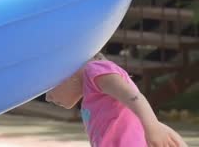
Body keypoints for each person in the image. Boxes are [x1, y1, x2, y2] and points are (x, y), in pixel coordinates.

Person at [46, 53, 187, 147]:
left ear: (67, 74)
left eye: (48, 87)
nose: (47, 97)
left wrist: (152, 127)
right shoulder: (90, 95)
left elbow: (133, 97)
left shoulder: (95, 70)